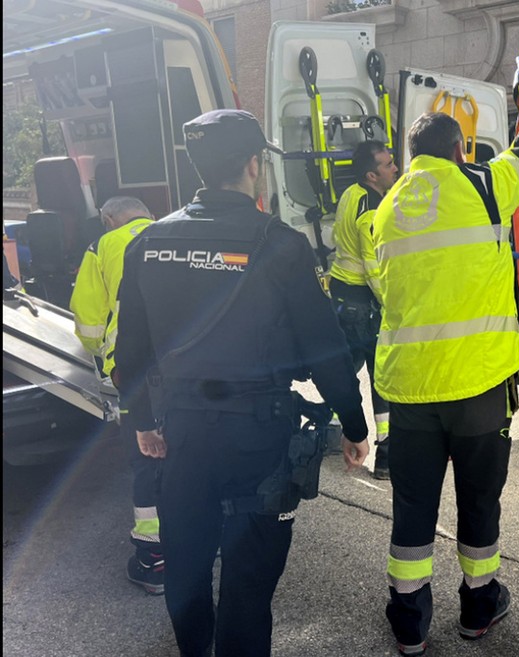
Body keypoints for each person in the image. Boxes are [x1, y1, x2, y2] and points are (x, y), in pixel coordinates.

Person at [114, 109, 369, 657]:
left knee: (185, 566)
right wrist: (353, 423)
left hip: (183, 435)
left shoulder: (149, 242)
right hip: (259, 439)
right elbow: (325, 348)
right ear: (254, 165)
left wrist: (142, 423)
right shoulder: (279, 243)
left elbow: (128, 353)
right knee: (248, 586)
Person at [371, 45, 519, 656]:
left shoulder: (387, 208)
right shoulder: (483, 185)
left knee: (413, 507)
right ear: (459, 150)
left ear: (410, 156)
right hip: (478, 389)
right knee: (478, 502)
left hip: (409, 392)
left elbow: (402, 284)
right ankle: (479, 607)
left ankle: (408, 620)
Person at [69, 195, 165, 594]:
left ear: (108, 219)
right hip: (190, 366)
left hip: (136, 371)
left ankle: (154, 560)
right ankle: (202, 539)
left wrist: (102, 359)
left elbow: (88, 318)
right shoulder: (176, 232)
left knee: (148, 458)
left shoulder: (102, 245)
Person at [327, 139, 399, 479]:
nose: (395, 168)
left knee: (343, 370)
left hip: (342, 296)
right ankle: (386, 455)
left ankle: (328, 429)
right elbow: (374, 270)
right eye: (388, 165)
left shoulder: (351, 194)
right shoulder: (371, 210)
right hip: (363, 304)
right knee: (381, 378)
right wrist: (394, 305)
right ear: (372, 175)